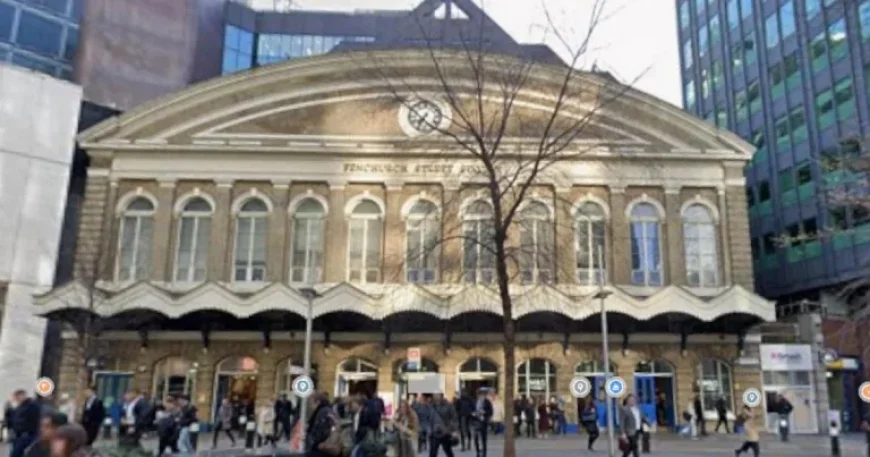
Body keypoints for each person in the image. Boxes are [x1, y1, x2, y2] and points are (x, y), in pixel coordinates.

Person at [10, 389, 42, 457]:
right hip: (19, 434)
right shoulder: (20, 406)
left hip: (26, 434)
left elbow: (34, 420)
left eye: (17, 397)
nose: (16, 400)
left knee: (16, 453)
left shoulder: (31, 406)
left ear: (22, 396)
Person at [305, 393, 337, 457]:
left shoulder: (323, 412)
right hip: (319, 445)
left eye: (311, 404)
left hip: (321, 446)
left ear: (318, 402)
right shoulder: (322, 411)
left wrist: (320, 442)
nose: (310, 406)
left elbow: (331, 427)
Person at [471, 389, 492, 457]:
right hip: (476, 422)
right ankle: (477, 452)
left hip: (483, 422)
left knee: (483, 439)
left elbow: (491, 411)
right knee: (476, 438)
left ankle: (484, 453)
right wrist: (473, 413)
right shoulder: (474, 401)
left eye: (483, 395)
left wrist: (484, 412)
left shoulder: (487, 402)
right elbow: (471, 410)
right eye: (480, 395)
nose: (481, 396)